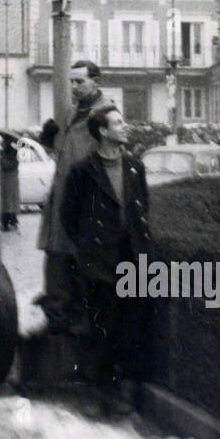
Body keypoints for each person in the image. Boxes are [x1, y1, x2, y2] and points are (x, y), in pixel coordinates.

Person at [59, 105, 153, 415]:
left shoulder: (136, 166)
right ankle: (101, 394)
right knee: (103, 327)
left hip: (133, 257)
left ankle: (121, 389)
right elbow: (69, 217)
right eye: (118, 122)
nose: (125, 127)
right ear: (102, 131)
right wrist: (90, 250)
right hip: (100, 261)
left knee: (131, 325)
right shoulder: (83, 171)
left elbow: (142, 212)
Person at [34, 60, 115, 335]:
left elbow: (110, 159)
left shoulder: (106, 115)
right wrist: (50, 139)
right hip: (62, 193)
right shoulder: (71, 113)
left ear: (96, 82)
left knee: (83, 256)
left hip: (86, 196)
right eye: (71, 81)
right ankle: (57, 313)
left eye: (80, 81)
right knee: (57, 253)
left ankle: (83, 316)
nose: (74, 86)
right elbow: (67, 151)